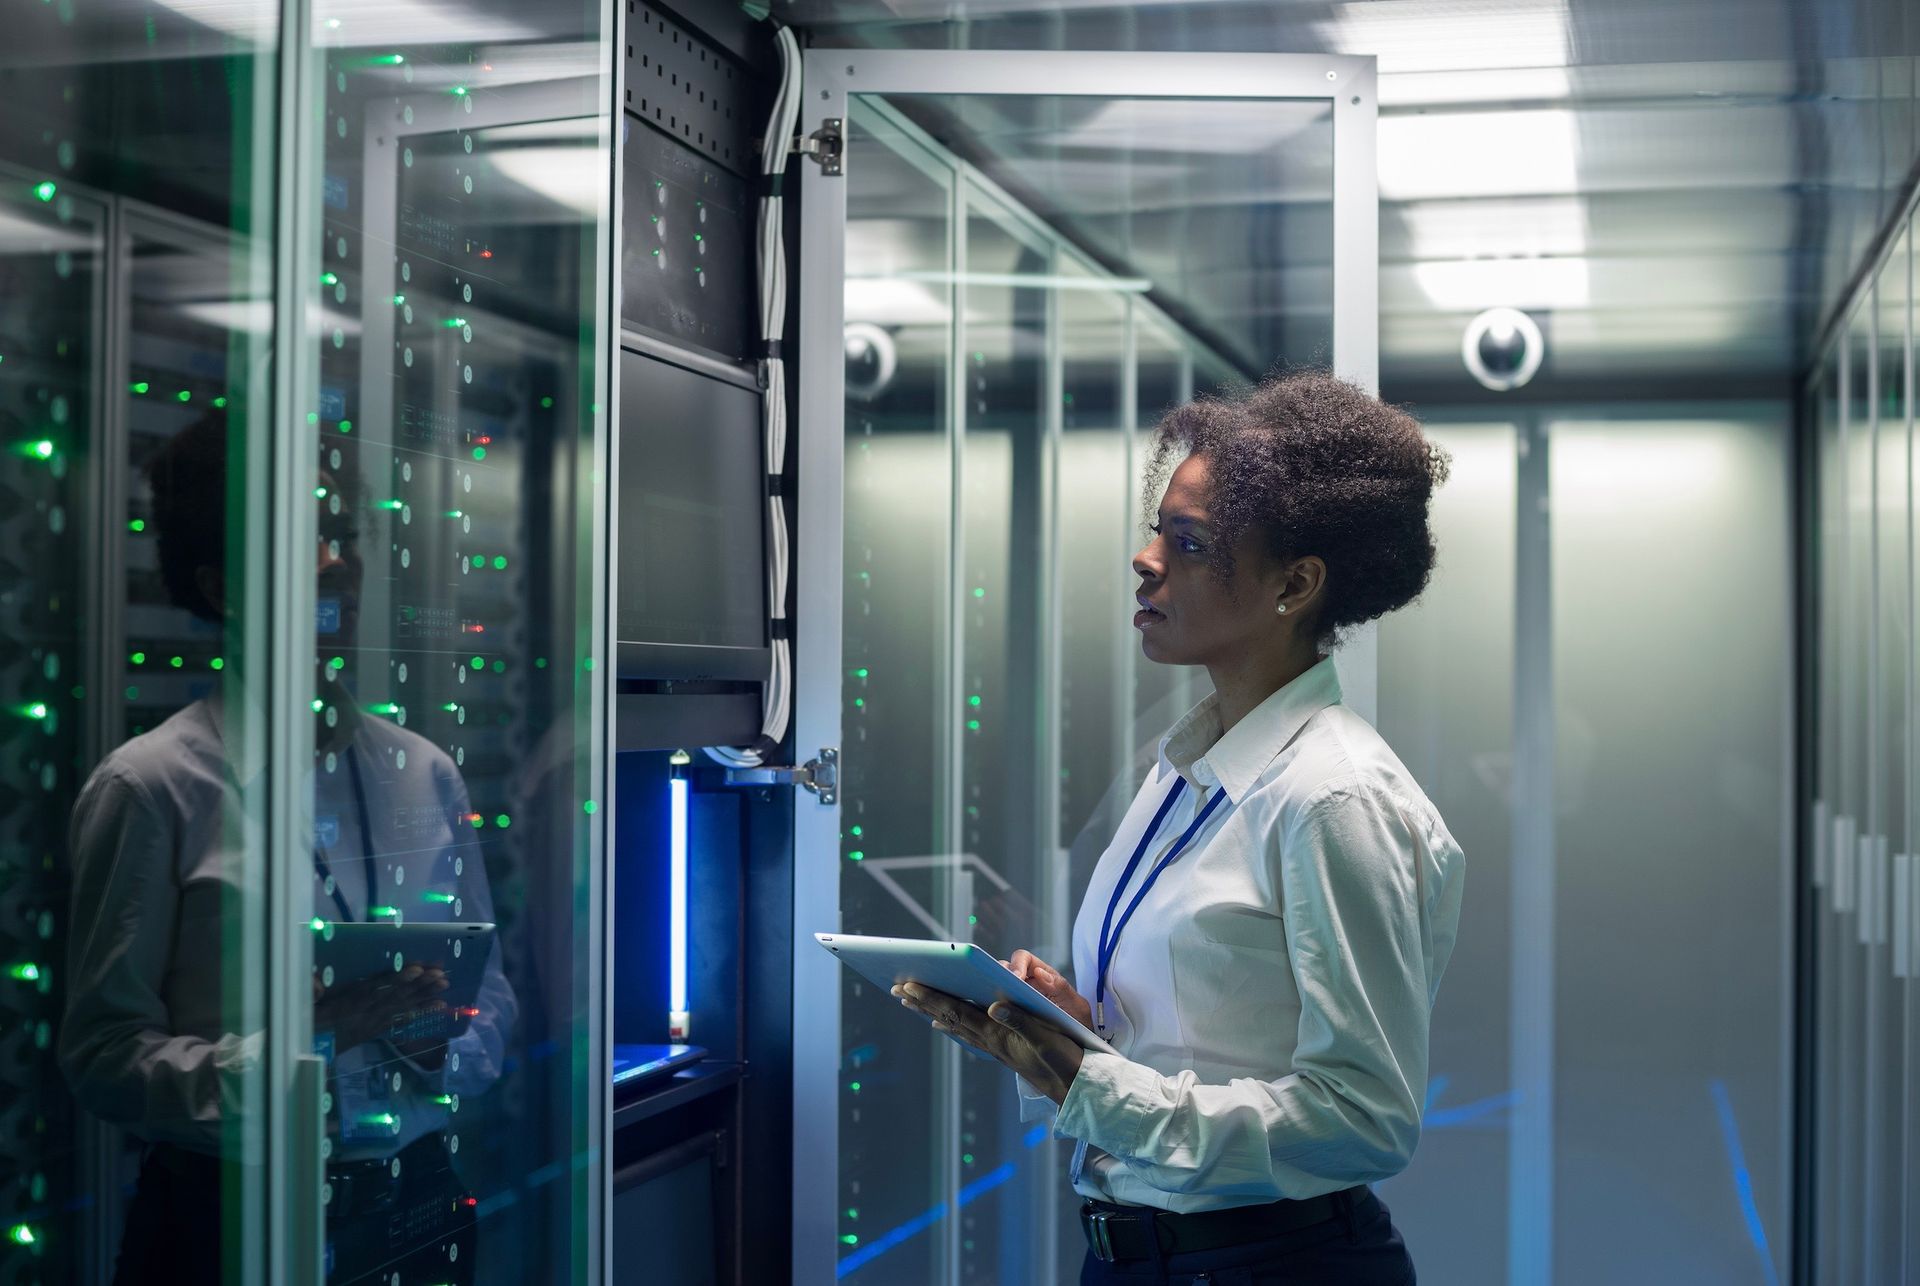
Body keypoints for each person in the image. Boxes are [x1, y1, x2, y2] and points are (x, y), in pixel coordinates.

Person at [895, 371, 1464, 1285]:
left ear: (1297, 584)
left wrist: (1094, 1086)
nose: (1147, 558)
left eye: (1190, 541)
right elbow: (1205, 1037)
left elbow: (1364, 1119)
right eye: (1156, 528)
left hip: (1271, 1267)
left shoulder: (1334, 798)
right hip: (1139, 1259)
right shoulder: (1188, 767)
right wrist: (1078, 1034)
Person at [60, 413, 515, 1285]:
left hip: (414, 1200)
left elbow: (490, 996)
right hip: (227, 1217)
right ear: (224, 586)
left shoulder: (423, 772)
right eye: (306, 534)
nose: (340, 558)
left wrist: (438, 1041)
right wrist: (301, 1049)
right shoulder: (153, 787)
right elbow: (104, 1062)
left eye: (342, 532)